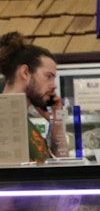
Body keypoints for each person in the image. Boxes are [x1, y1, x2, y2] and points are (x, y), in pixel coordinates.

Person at [0, 31, 65, 162]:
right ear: (25, 72)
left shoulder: (23, 122)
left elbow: (62, 169)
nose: (54, 86)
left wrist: (57, 122)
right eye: (48, 76)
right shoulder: (5, 120)